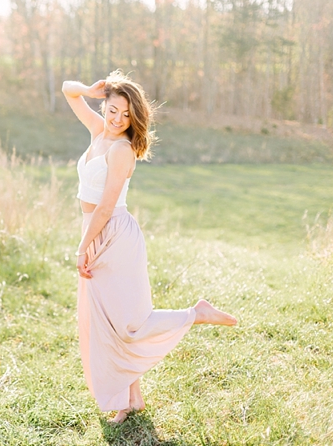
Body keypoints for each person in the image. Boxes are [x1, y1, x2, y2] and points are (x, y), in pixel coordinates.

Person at [62, 71, 238, 424]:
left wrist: (83, 247)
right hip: (95, 229)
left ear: (135, 118)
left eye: (126, 115)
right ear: (105, 105)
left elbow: (107, 205)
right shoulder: (98, 131)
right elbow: (68, 92)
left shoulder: (122, 148)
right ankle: (133, 398)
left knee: (128, 323)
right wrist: (90, 89)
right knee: (108, 321)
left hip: (112, 234)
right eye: (112, 110)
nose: (117, 119)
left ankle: (196, 313)